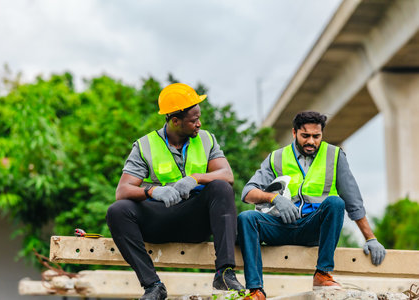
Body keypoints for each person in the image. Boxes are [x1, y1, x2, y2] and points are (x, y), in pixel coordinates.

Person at [106, 83, 244, 300]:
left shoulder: (207, 139)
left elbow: (227, 175)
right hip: (160, 220)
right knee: (118, 210)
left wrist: (196, 178)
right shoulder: (146, 145)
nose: (199, 123)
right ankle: (153, 286)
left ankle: (224, 274)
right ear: (175, 121)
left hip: (195, 222)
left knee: (221, 187)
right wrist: (152, 191)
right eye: (193, 120)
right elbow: (122, 190)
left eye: (199, 117)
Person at [237, 111, 386, 299]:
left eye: (316, 136)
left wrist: (370, 238)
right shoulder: (277, 157)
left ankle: (323, 274)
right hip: (280, 226)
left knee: (335, 202)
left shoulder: (334, 156)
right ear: (294, 133)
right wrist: (274, 199)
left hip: (313, 229)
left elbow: (353, 200)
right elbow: (247, 193)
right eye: (305, 136)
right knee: (246, 218)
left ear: (322, 134)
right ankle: (256, 290)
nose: (311, 141)